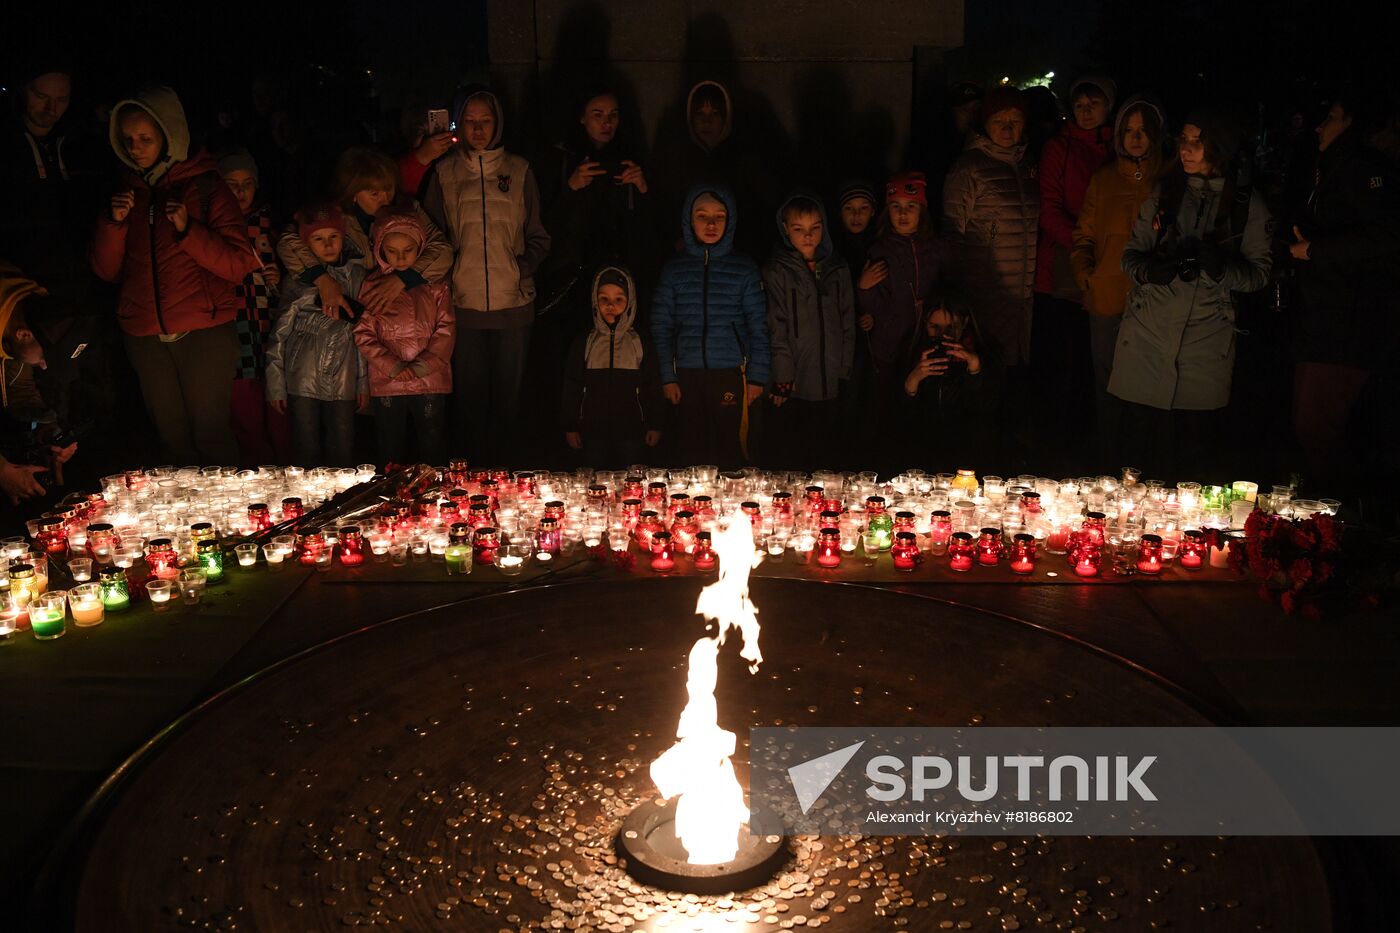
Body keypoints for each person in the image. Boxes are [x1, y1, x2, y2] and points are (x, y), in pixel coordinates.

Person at [90, 86, 258, 465]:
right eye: (128, 140)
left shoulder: (206, 188)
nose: (135, 148)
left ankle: (228, 502)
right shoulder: (126, 194)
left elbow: (238, 264)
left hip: (203, 331)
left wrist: (188, 231)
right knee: (172, 441)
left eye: (145, 138)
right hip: (145, 335)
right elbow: (107, 271)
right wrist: (113, 223)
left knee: (211, 437)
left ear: (169, 134)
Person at [1113, 107, 1272, 478]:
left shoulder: (1246, 205)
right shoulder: (1166, 193)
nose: (1186, 149)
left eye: (1197, 142)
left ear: (1219, 146)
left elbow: (1259, 274)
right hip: (1147, 337)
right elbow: (1130, 256)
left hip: (1206, 343)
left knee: (1192, 457)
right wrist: (1150, 270)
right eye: (1183, 140)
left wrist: (1221, 269)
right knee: (1136, 451)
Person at [424, 85, 551, 461]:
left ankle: (507, 474)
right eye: (470, 120)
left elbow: (539, 234)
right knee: (471, 401)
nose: (478, 129)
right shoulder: (444, 173)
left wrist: (519, 268)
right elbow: (431, 237)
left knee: (509, 402)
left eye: (486, 120)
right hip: (464, 305)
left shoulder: (519, 170)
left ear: (498, 123)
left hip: (513, 304)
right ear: (458, 123)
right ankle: (475, 475)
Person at [1289, 90, 1400, 496]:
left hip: (1347, 320)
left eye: (1331, 117)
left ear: (1352, 123)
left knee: (1318, 425)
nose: (1320, 126)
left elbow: (1386, 236)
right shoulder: (1332, 167)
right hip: (1324, 313)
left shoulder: (1366, 170)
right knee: (1312, 423)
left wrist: (1316, 250)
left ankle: (1343, 513)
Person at [1071, 96, 1169, 462]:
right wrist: (1086, 275)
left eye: (1143, 130)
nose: (1136, 138)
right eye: (1129, 130)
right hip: (1108, 296)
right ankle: (1109, 464)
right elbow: (1084, 235)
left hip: (1155, 301)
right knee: (1108, 383)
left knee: (1148, 383)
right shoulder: (1104, 180)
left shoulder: (1169, 181)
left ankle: (1146, 466)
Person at [651, 186, 770, 468]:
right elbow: (661, 325)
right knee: (691, 448)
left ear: (730, 220)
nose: (712, 224)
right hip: (687, 374)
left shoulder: (744, 268)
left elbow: (759, 325)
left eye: (720, 216)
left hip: (730, 373)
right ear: (689, 220)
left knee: (731, 449)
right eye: (702, 216)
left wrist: (756, 378)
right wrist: (667, 377)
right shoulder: (674, 269)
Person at [276, 146, 452, 321]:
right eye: (374, 193)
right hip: (348, 315)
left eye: (388, 189)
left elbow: (442, 251)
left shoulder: (407, 211)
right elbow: (288, 241)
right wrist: (322, 280)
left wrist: (403, 278)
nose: (385, 198)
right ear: (353, 193)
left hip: (400, 313)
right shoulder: (334, 217)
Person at [942, 85, 1040, 370]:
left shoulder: (1027, 165)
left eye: (1015, 121)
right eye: (999, 121)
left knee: (1013, 366)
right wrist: (957, 287)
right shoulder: (968, 168)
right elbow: (952, 231)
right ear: (985, 123)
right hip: (983, 291)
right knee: (986, 365)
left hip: (1021, 293)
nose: (1007, 129)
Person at [264, 204, 368, 466]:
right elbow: (279, 335)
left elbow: (361, 333)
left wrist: (362, 383)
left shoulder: (356, 276)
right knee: (306, 447)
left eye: (333, 236)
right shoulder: (298, 279)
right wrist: (276, 384)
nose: (328, 245)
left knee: (343, 446)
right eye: (318, 239)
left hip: (343, 377)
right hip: (302, 378)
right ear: (306, 243)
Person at [541, 88, 650, 329]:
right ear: (582, 117)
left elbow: (645, 225)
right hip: (573, 278)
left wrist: (642, 188)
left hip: (616, 277)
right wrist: (571, 188)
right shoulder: (561, 159)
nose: (607, 123)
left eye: (613, 115)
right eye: (598, 115)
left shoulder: (629, 158)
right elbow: (546, 225)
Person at [354, 211, 454, 467]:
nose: (400, 258)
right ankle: (390, 489)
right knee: (390, 445)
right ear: (380, 249)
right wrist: (393, 366)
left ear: (420, 246)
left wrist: (422, 366)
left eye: (408, 250)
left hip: (429, 380)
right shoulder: (373, 284)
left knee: (433, 441)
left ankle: (438, 490)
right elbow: (363, 332)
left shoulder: (436, 286)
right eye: (392, 251)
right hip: (389, 381)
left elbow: (446, 329)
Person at [763, 193, 855, 470]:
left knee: (827, 455)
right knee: (794, 456)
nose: (808, 235)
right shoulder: (777, 270)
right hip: (795, 384)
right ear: (785, 229)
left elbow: (847, 320)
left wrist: (844, 369)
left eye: (815, 227)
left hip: (831, 380)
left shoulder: (837, 268)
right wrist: (782, 377)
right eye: (799, 229)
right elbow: (776, 326)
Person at [858, 172, 945, 446]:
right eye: (896, 206)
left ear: (922, 210)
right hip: (888, 344)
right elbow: (873, 305)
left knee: (915, 406)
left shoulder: (935, 249)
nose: (903, 213)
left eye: (911, 206)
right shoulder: (881, 250)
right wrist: (864, 289)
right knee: (880, 406)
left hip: (923, 343)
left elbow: (946, 290)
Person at [218, 149, 290, 463]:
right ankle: (258, 467)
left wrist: (280, 277)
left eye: (247, 183)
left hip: (269, 323)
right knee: (244, 403)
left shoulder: (270, 223)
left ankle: (287, 466)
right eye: (232, 184)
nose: (241, 191)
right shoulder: (215, 225)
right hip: (234, 326)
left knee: (277, 399)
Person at [560, 266, 663, 467]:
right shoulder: (585, 341)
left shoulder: (639, 341)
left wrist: (656, 424)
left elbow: (652, 384)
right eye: (604, 298)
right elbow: (572, 385)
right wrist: (570, 426)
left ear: (630, 301)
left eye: (618, 299)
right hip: (592, 432)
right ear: (594, 300)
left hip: (632, 430)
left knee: (631, 479)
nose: (610, 305)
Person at [0, 271, 77, 504]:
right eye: (44, 358)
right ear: (24, 335)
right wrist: (2, 471)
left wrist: (49, 431)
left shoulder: (24, 312)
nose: (44, 366)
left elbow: (20, 389)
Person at [900, 294, 996, 466]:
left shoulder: (982, 353)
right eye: (935, 327)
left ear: (964, 323)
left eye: (951, 328)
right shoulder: (911, 350)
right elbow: (900, 416)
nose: (943, 335)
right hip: (919, 455)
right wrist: (913, 380)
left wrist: (975, 369)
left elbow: (983, 412)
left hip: (966, 455)